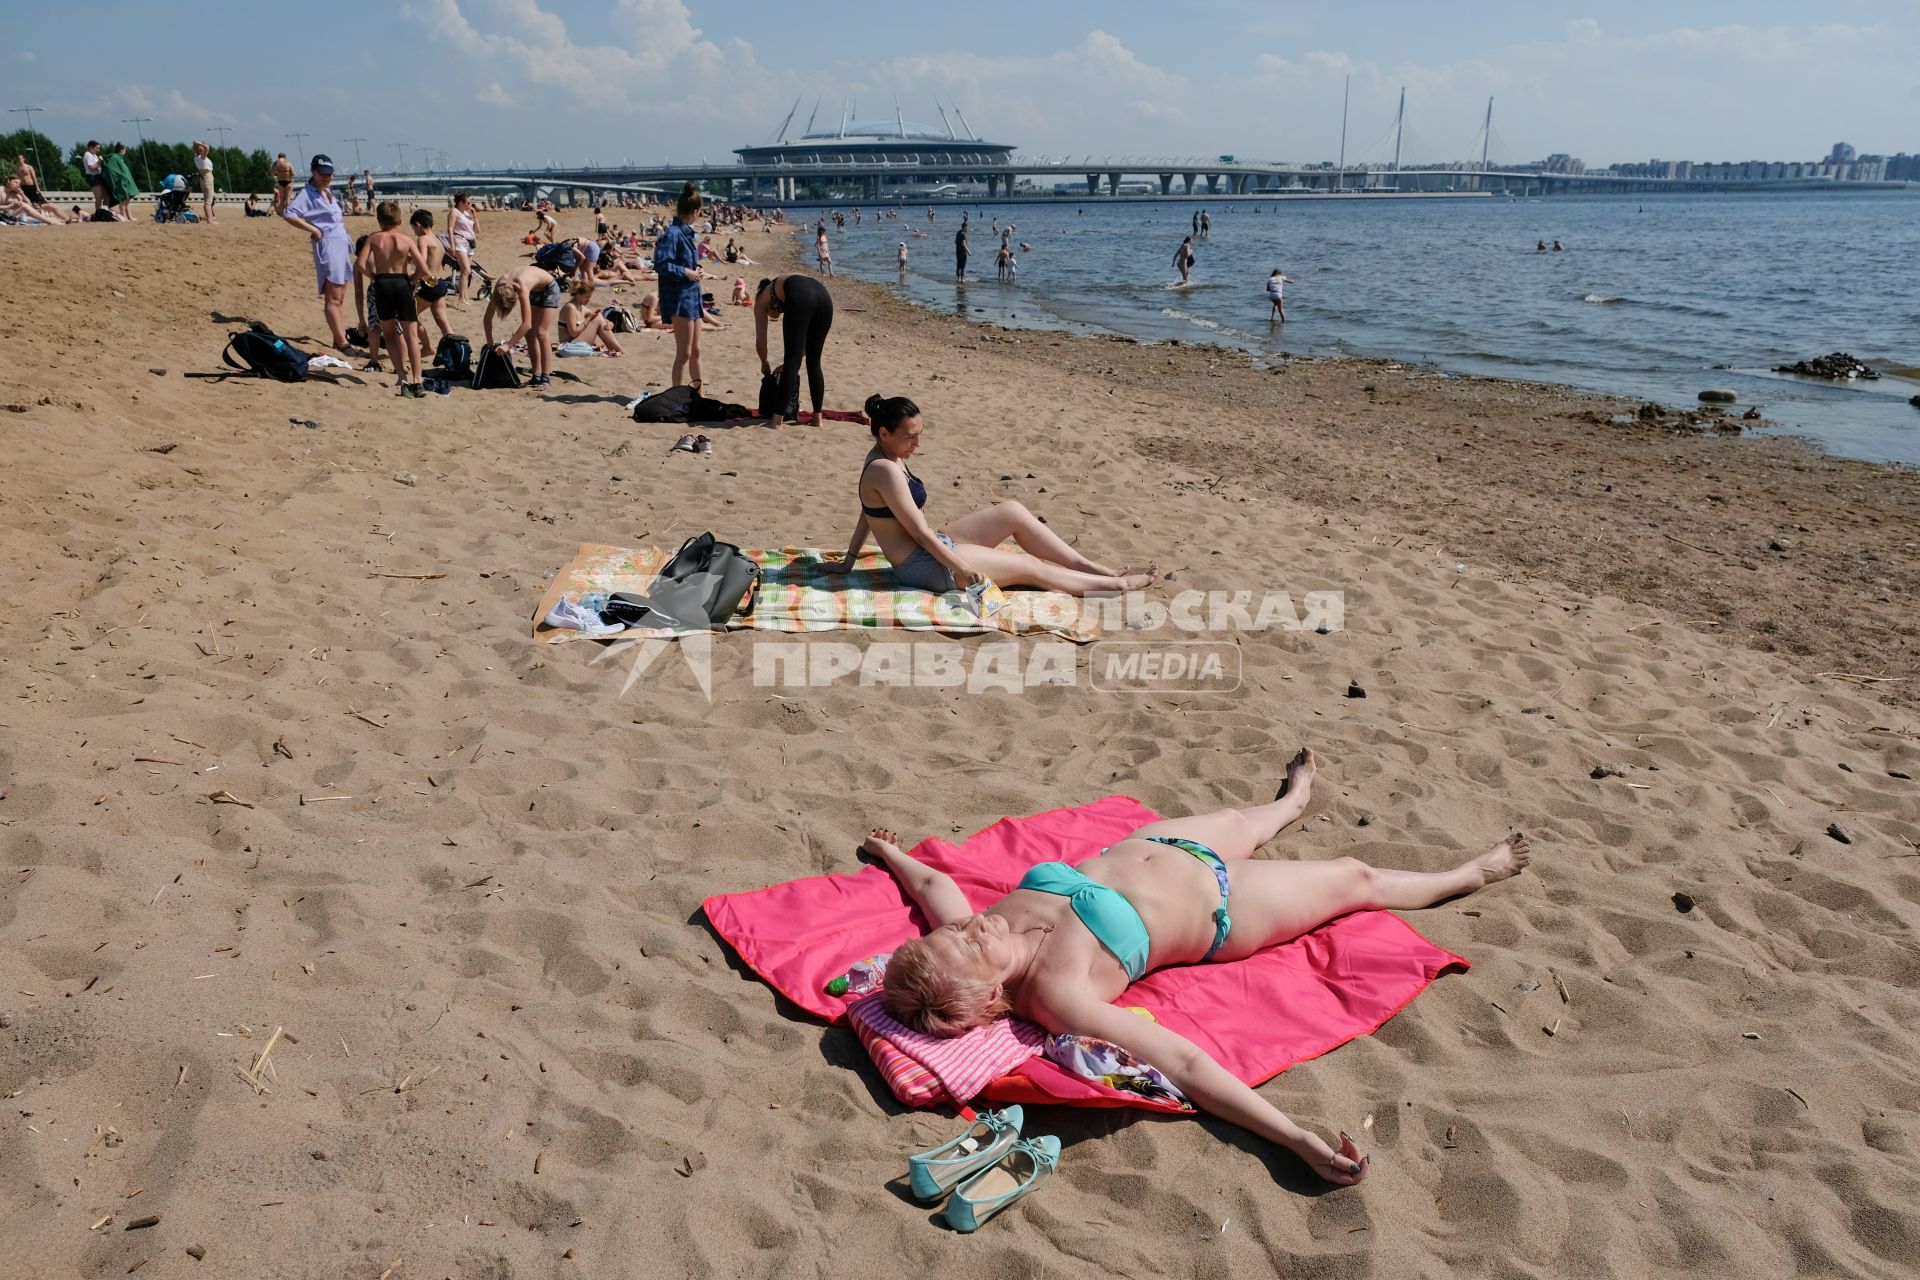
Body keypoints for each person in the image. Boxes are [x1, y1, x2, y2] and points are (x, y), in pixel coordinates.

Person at [871, 748, 1534, 1186]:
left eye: (958, 930)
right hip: (1223, 907)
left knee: (1241, 819)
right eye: (968, 943)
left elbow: (935, 892)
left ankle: (1291, 803)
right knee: (1353, 877)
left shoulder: (968, 932)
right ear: (985, 995)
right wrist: (1295, 1138)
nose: (974, 924)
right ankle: (1469, 874)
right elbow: (1185, 1065)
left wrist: (892, 855)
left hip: (1157, 845)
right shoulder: (1058, 994)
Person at [830, 395, 1157, 595]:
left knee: (1013, 511)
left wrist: (849, 560)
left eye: (920, 435)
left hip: (935, 547)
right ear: (884, 433)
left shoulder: (886, 456)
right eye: (910, 438)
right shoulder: (884, 470)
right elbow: (918, 532)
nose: (917, 444)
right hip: (925, 566)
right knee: (1028, 566)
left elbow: (868, 512)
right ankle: (1118, 586)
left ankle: (1087, 566)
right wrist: (959, 566)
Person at [282, 155, 357, 352]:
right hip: (328, 246)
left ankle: (338, 336)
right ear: (313, 172)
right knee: (333, 297)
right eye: (322, 173)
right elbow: (289, 214)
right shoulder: (307, 193)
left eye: (329, 174)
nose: (326, 177)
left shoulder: (328, 192)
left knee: (340, 296)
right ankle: (342, 343)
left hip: (341, 245)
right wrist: (313, 230)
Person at [355, 202, 430, 396]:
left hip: (382, 285)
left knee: (388, 334)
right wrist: (412, 280)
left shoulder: (374, 238)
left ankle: (402, 378)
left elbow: (360, 264)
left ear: (379, 221)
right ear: (400, 220)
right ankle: (418, 380)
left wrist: (374, 276)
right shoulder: (406, 240)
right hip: (402, 283)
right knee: (410, 335)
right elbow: (424, 270)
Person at [754, 275, 833, 428]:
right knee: (814, 362)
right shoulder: (784, 282)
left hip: (801, 296)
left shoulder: (761, 301)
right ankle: (818, 419)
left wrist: (764, 363)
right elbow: (805, 348)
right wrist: (786, 365)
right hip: (824, 297)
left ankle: (776, 421)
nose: (774, 316)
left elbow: (761, 343)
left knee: (792, 363)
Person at [653, 182, 706, 390]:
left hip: (692, 296)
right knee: (684, 352)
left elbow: (685, 264)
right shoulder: (673, 233)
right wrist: (685, 271)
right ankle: (676, 394)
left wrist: (697, 269)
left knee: (696, 350)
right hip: (679, 298)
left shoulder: (686, 233)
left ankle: (699, 395)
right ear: (695, 211)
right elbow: (661, 264)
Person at [486, 263, 562, 388]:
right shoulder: (500, 288)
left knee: (541, 332)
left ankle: (545, 378)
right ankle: (536, 376)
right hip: (535, 289)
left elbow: (527, 323)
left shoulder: (521, 286)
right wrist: (490, 343)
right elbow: (487, 318)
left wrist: (508, 345)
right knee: (529, 334)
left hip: (549, 288)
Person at [409, 209, 454, 341]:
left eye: (413, 228)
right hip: (439, 282)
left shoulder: (423, 239)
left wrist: (411, 279)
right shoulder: (438, 241)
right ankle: (454, 347)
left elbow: (422, 264)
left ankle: (427, 346)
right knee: (442, 321)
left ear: (417, 225)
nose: (415, 232)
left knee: (409, 315)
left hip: (430, 282)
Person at [558, 278, 625, 355]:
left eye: (589, 297)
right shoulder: (570, 307)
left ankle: (618, 349)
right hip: (569, 346)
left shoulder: (580, 307)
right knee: (598, 318)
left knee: (598, 317)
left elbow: (596, 316)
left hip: (576, 344)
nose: (588, 300)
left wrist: (609, 322)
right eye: (586, 297)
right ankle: (619, 350)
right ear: (578, 294)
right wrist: (588, 319)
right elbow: (573, 333)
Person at [449, 192, 477, 302]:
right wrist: (452, 244)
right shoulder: (454, 212)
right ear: (461, 202)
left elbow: (475, 229)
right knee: (465, 269)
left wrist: (474, 216)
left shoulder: (467, 213)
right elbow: (450, 228)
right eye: (468, 202)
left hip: (470, 243)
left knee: (467, 271)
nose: (470, 204)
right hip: (460, 242)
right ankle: (462, 297)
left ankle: (465, 295)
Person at [104, 144, 139, 222]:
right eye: (125, 150)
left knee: (127, 200)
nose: (125, 152)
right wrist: (121, 179)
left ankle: (129, 217)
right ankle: (123, 217)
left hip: (125, 182)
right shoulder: (115, 158)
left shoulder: (119, 159)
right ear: (121, 150)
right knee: (123, 200)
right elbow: (111, 170)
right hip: (120, 183)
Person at [191, 141, 218, 225]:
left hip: (203, 179)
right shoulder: (202, 157)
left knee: (207, 201)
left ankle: (209, 219)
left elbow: (205, 147)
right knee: (208, 202)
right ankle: (210, 220)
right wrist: (200, 143)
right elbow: (207, 147)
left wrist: (197, 144)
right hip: (207, 178)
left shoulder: (196, 157)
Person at [82, 141, 110, 217]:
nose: (98, 150)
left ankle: (105, 211)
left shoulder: (94, 155)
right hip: (92, 177)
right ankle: (99, 214)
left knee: (106, 196)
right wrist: (99, 161)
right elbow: (92, 168)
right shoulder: (87, 155)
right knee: (99, 197)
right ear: (91, 147)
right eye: (97, 148)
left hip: (98, 176)